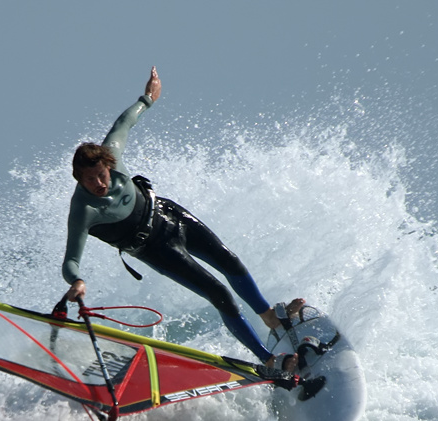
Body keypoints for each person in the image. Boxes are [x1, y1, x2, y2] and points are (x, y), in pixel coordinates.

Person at [62, 66, 302, 370]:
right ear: (78, 179)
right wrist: (77, 281)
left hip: (169, 214)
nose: (99, 183)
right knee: (220, 295)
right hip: (155, 249)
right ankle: (269, 361)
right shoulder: (83, 210)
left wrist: (148, 97)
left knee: (230, 261)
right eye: (90, 180)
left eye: (101, 175)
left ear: (108, 165)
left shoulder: (112, 155)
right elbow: (71, 259)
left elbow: (124, 122)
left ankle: (272, 318)